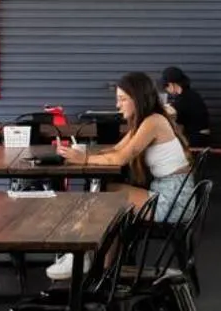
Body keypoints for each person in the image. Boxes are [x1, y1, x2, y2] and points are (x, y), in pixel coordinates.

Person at [46, 72, 194, 280]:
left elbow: (120, 159)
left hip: (174, 200)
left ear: (139, 99)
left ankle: (86, 256)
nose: (118, 105)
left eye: (123, 99)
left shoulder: (153, 122)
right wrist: (83, 154)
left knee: (107, 196)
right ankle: (97, 263)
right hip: (171, 191)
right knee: (109, 195)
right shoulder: (145, 121)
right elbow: (115, 150)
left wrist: (84, 160)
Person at [161, 67, 214, 148]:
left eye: (166, 86)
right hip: (201, 137)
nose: (166, 90)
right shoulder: (192, 94)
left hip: (196, 139)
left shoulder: (183, 99)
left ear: (172, 84)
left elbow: (169, 115)